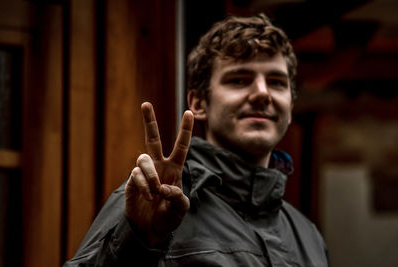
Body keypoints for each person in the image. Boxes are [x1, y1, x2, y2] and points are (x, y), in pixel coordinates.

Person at [64, 13, 329, 266]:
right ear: (199, 103)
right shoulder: (153, 199)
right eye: (239, 80)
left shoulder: (308, 235)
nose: (262, 93)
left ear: (291, 107)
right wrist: (135, 239)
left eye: (276, 82)